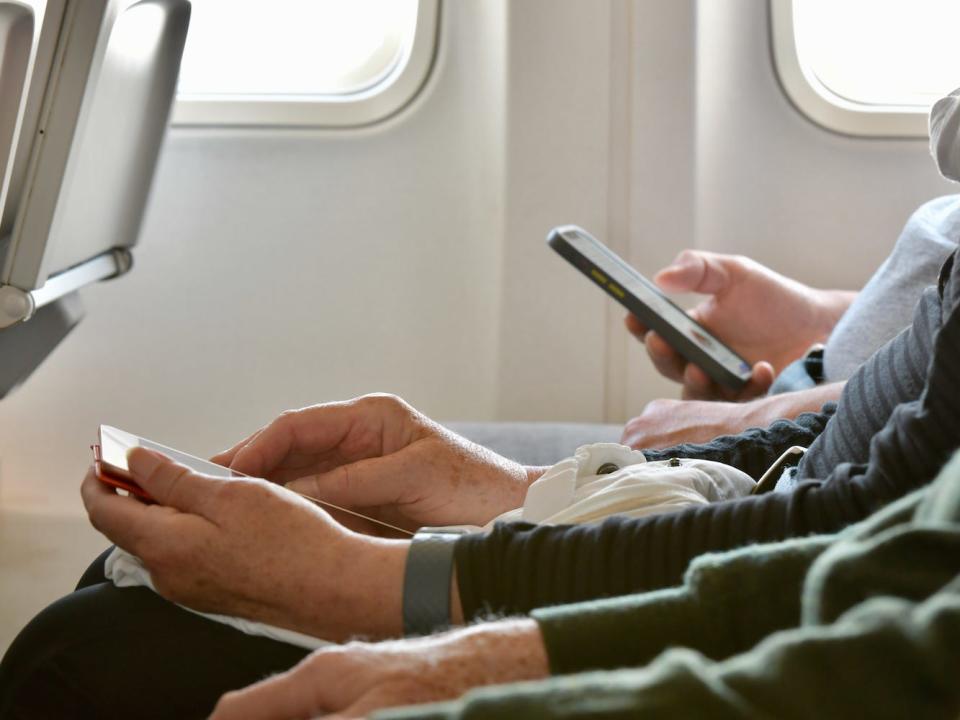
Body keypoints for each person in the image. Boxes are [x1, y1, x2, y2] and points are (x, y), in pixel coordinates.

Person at [3, 87, 960, 720]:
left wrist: (368, 584)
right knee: (129, 574)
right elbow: (879, 453)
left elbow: (865, 545)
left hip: (790, 570)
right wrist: (526, 493)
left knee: (90, 655)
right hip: (774, 516)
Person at [211, 448, 960, 719]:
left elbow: (900, 670)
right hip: (768, 554)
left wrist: (396, 584)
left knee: (122, 645)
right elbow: (876, 545)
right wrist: (524, 487)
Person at [621, 194, 959, 449]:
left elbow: (943, 383)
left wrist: (746, 426)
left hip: (842, 446)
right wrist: (826, 322)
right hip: (823, 401)